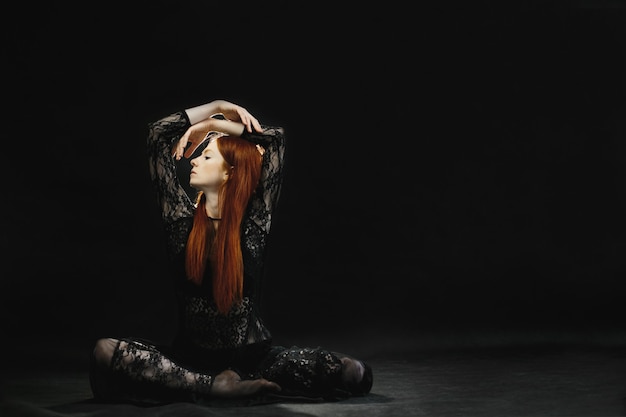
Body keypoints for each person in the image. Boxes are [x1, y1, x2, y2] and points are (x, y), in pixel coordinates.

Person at [89, 99, 373, 405]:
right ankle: (214, 386)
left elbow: (274, 139)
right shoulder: (180, 222)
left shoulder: (253, 225)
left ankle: (221, 385)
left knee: (354, 373)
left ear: (229, 174)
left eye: (207, 156)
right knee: (104, 351)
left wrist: (214, 125)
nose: (194, 161)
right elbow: (157, 134)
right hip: (189, 363)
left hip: (254, 360)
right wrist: (216, 106)